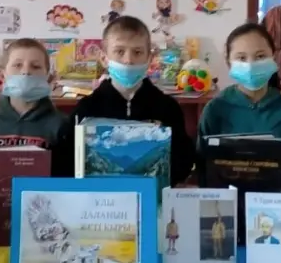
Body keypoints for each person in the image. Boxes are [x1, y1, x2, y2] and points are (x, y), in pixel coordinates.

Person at [52, 16, 195, 184]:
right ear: (104, 58)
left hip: (152, 195)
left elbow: (183, 162)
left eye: (137, 52)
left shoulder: (168, 108)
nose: (128, 60)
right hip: (99, 196)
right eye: (119, 51)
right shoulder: (86, 109)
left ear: (149, 58)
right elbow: (64, 162)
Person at [197, 23, 281, 190]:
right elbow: (202, 170)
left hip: (278, 204)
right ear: (228, 61)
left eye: (260, 56)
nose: (250, 65)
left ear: (274, 56)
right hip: (226, 203)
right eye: (241, 58)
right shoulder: (215, 110)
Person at [0, 38, 65, 149]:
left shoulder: (61, 125)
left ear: (48, 78)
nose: (26, 72)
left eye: (35, 66)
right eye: (18, 65)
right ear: (2, 76)